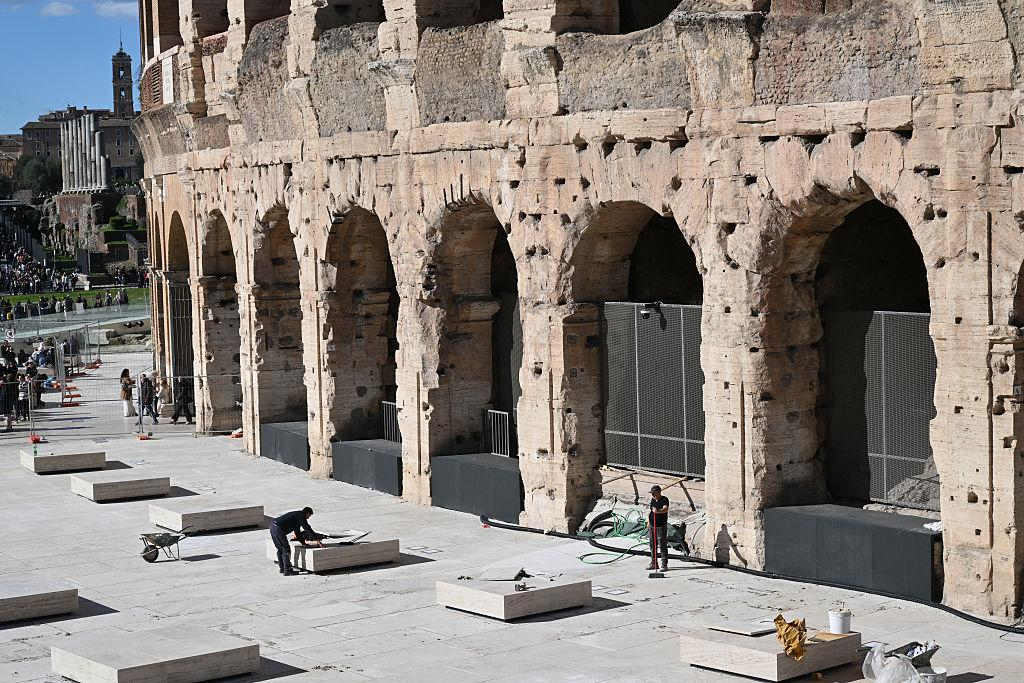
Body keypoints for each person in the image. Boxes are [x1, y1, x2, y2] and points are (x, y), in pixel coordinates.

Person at [269, 507, 324, 575]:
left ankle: (282, 568)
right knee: (286, 549)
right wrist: (316, 539)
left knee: (280, 549)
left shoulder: (296, 517)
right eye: (309, 516)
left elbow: (297, 533)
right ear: (307, 513)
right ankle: (288, 570)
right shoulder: (301, 515)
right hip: (278, 528)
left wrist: (303, 543)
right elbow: (307, 528)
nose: (308, 518)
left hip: (272, 526)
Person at [647, 485, 669, 572]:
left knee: (662, 545)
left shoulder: (664, 499)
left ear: (659, 492)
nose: (653, 495)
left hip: (661, 526)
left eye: (654, 493)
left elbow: (665, 509)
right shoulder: (652, 500)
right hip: (652, 525)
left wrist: (658, 511)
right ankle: (653, 562)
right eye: (652, 493)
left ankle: (664, 564)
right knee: (652, 544)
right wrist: (648, 522)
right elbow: (650, 511)